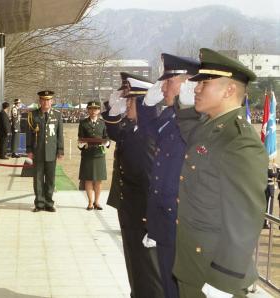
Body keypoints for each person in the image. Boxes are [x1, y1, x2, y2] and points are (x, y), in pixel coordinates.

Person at [173, 48, 268, 298]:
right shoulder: (210, 127)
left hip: (213, 273)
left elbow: (244, 220)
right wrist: (183, 106)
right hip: (192, 264)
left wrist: (223, 281)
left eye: (204, 83)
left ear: (229, 90)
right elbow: (191, 135)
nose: (196, 89)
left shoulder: (239, 141)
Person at [142, 53, 200, 298]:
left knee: (179, 288)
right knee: (168, 285)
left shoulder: (199, 120)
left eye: (170, 81)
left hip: (183, 220)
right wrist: (146, 105)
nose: (164, 86)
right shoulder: (170, 115)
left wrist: (187, 108)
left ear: (188, 83)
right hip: (165, 217)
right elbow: (149, 131)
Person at [105, 73, 164, 298]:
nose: (126, 104)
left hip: (143, 212)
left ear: (142, 103)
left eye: (130, 101)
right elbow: (114, 134)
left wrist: (151, 218)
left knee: (149, 267)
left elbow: (151, 179)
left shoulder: (148, 136)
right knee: (134, 261)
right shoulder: (133, 129)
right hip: (131, 207)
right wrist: (112, 111)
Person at [26, 90, 64, 212]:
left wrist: (60, 150)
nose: (46, 102)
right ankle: (39, 203)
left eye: (48, 100)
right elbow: (29, 134)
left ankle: (49, 203)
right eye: (43, 100)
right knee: (37, 179)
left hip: (51, 152)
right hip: (38, 151)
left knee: (50, 179)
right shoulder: (33, 115)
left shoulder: (57, 115)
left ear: (52, 101)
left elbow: (60, 134)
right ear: (40, 101)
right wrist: (29, 150)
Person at [77, 101, 109, 210]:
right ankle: (90, 202)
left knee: (98, 180)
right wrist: (81, 144)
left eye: (95, 109)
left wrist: (107, 142)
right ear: (88, 110)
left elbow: (106, 136)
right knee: (88, 179)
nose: (93, 111)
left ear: (99, 110)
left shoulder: (103, 123)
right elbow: (80, 138)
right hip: (88, 154)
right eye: (90, 109)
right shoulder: (83, 123)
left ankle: (97, 202)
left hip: (99, 154)